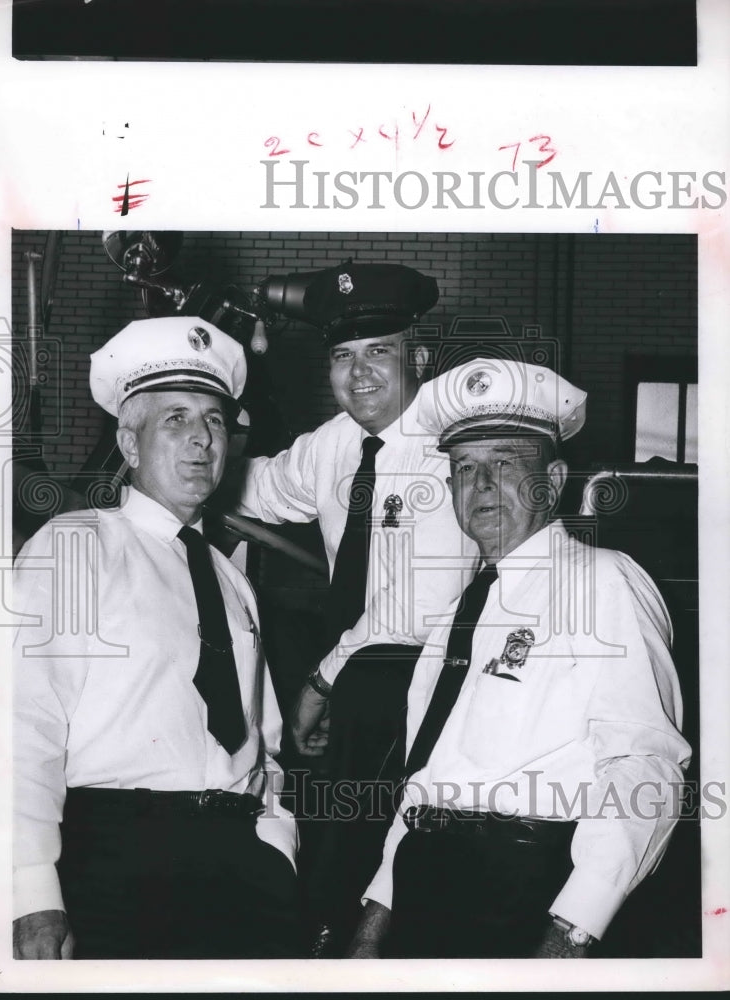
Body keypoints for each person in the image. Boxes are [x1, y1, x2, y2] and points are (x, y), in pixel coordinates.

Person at [347, 357, 691, 959]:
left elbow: (646, 769)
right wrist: (374, 925)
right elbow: (425, 781)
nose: (479, 486)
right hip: (428, 884)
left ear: (553, 482)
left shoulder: (601, 583)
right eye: (463, 468)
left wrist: (573, 929)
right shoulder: (457, 615)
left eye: (504, 464)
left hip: (529, 888)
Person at [12, 316, 302, 960]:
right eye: (175, 418)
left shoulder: (233, 581)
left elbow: (265, 744)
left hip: (240, 870)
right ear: (130, 442)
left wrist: (276, 849)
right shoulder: (74, 546)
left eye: (215, 420)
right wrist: (32, 893)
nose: (201, 439)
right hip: (115, 861)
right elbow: (20, 726)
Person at [233, 263, 469, 952]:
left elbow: (426, 596)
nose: (358, 374)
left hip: (430, 673)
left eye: (379, 352)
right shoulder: (334, 443)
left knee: (382, 855)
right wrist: (189, 452)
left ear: (417, 357)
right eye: (342, 355)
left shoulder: (449, 445)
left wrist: (318, 681)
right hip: (357, 677)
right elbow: (264, 487)